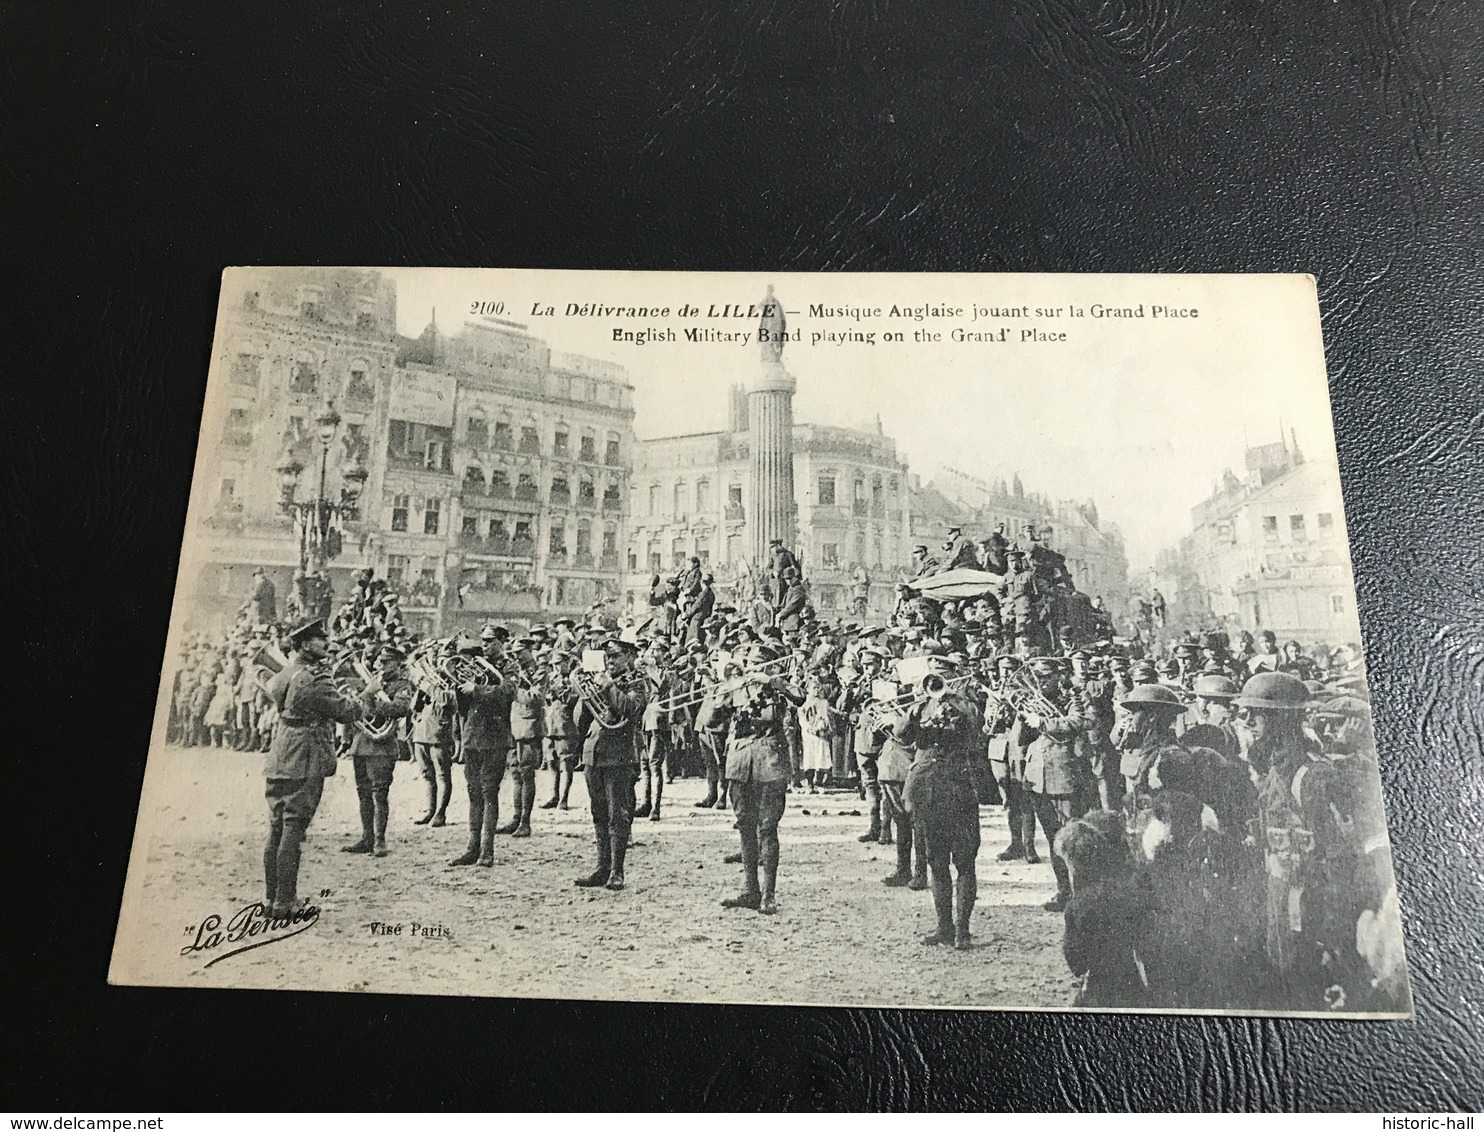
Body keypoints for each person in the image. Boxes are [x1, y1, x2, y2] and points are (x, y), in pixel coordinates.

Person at [261, 617, 367, 918]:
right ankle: (286, 902)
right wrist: (367, 693)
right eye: (321, 640)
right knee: (294, 828)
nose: (327, 644)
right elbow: (345, 711)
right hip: (305, 758)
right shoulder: (316, 678)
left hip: (280, 754)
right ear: (306, 644)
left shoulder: (283, 675)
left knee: (277, 827)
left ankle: (271, 900)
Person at [699, 643, 805, 914]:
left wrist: (773, 681)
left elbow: (800, 697)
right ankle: (750, 890)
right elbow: (711, 722)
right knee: (744, 826)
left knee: (767, 828)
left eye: (758, 663)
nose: (752, 667)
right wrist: (718, 696)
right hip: (740, 764)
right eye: (750, 663)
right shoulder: (738, 689)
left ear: (770, 666)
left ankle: (768, 895)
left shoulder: (778, 688)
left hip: (770, 765)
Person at [898, 661, 984, 948]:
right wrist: (915, 710)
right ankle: (944, 927)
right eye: (932, 678)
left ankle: (963, 931)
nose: (937, 683)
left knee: (965, 862)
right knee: (936, 862)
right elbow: (903, 735)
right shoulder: (920, 706)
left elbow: (974, 726)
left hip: (959, 789)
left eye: (943, 677)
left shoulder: (965, 704)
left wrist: (952, 702)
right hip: (929, 792)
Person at [1019, 656, 1095, 912]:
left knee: (1071, 838)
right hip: (1037, 776)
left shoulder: (1072, 697)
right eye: (1037, 678)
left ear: (1058, 676)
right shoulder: (1035, 699)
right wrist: (1023, 717)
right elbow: (1022, 739)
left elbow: (1080, 722)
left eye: (1045, 677)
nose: (1040, 682)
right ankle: (1064, 891)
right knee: (1052, 838)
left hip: (1063, 774)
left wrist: (1043, 722)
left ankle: (1081, 893)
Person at [573, 637, 648, 891]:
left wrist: (606, 688)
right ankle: (601, 868)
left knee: (618, 815)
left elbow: (629, 708)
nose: (611, 661)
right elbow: (581, 721)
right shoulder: (604, 681)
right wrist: (586, 696)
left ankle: (617, 871)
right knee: (599, 813)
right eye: (608, 657)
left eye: (615, 656)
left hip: (619, 756)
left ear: (629, 656)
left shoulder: (637, 683)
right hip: (594, 752)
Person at [449, 636, 516, 868]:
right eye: (484, 641)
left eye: (490, 641)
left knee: (489, 793)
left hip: (494, 737)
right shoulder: (477, 665)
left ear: (501, 642)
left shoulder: (509, 665)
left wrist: (476, 688)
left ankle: (487, 851)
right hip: (472, 736)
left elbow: (507, 692)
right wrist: (459, 687)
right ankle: (471, 848)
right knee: (473, 793)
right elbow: (463, 706)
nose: (485, 645)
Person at [342, 645, 415, 857]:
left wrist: (372, 700)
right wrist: (365, 695)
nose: (379, 666)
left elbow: (401, 709)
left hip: (383, 747)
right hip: (362, 744)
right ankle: (367, 838)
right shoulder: (372, 684)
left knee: (379, 794)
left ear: (397, 664)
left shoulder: (402, 685)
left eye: (385, 663)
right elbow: (356, 709)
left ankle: (380, 840)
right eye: (379, 662)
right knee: (363, 793)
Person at [499, 638, 544, 837]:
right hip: (513, 726)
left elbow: (535, 698)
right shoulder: (514, 671)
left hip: (529, 728)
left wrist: (513, 689)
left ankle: (526, 822)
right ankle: (516, 818)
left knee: (527, 775)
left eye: (520, 652)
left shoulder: (540, 672)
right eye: (514, 652)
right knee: (515, 774)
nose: (516, 656)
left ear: (530, 650)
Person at [410, 673, 456, 827]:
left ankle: (440, 813)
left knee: (443, 776)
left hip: (439, 735)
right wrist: (420, 689)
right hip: (422, 734)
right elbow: (414, 707)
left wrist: (428, 687)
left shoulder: (453, 680)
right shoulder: (432, 682)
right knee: (427, 775)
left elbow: (447, 701)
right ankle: (430, 811)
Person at [540, 650, 580, 809]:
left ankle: (564, 798)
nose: (556, 667)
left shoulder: (574, 679)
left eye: (559, 664)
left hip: (566, 726)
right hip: (549, 726)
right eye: (554, 664)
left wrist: (557, 690)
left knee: (566, 763)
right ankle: (553, 796)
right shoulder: (551, 678)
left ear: (567, 663)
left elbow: (572, 699)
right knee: (551, 761)